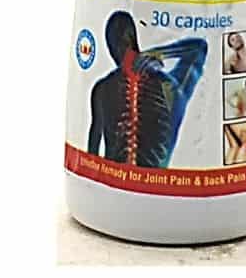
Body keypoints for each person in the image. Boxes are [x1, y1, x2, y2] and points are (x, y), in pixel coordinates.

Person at [87, 11, 207, 167]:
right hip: (150, 179)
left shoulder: (102, 88)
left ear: (111, 47)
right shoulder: (170, 87)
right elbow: (198, 48)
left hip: (125, 179)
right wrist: (160, 53)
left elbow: (91, 158)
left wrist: (156, 54)